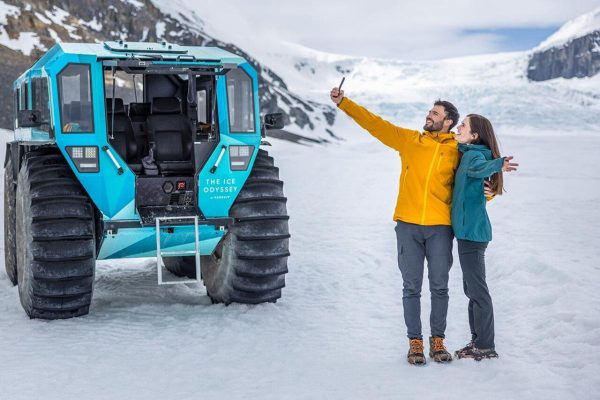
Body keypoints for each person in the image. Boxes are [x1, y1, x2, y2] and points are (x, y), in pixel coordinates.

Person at [330, 87, 461, 365]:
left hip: (440, 228)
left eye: (435, 113)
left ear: (448, 121)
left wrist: (490, 189)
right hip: (408, 227)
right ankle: (415, 343)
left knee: (439, 287)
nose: (429, 116)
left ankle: (438, 341)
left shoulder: (456, 151)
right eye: (429, 111)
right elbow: (376, 124)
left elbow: (471, 187)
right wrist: (344, 103)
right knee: (411, 287)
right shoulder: (410, 140)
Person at [451, 114, 518, 361]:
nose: (458, 127)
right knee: (472, 290)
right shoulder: (469, 152)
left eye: (463, 125)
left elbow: (477, 169)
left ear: (474, 135)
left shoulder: (475, 156)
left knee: (478, 292)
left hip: (473, 235)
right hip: (468, 234)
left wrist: (498, 164)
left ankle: (485, 345)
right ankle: (477, 341)